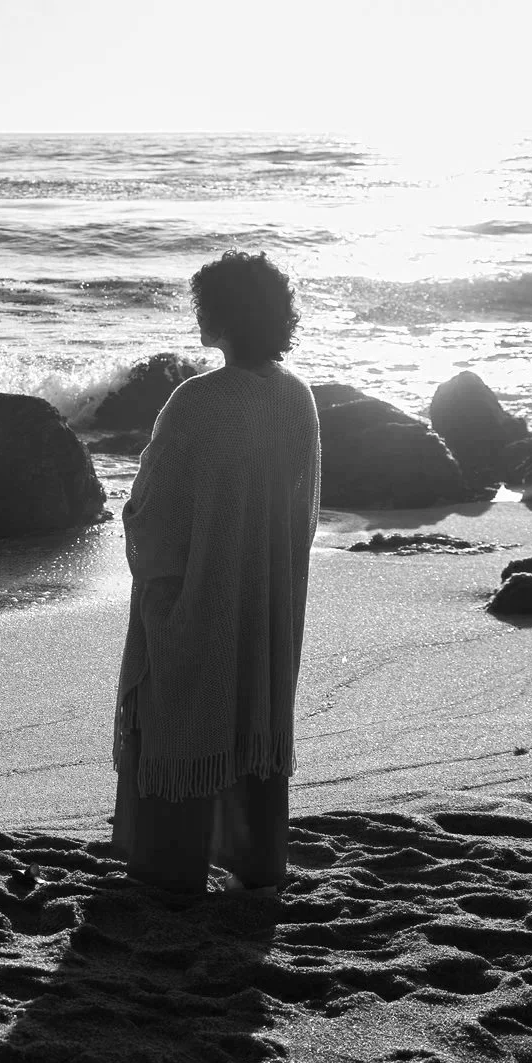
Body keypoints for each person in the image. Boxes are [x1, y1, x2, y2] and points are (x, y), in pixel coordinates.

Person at [112, 251, 320, 894]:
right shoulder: (297, 396)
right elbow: (302, 512)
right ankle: (251, 860)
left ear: (222, 317)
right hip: (269, 598)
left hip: (201, 598)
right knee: (250, 716)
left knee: (182, 712)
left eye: (204, 306)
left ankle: (173, 865)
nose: (198, 316)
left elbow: (150, 510)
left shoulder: (198, 403)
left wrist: (164, 574)